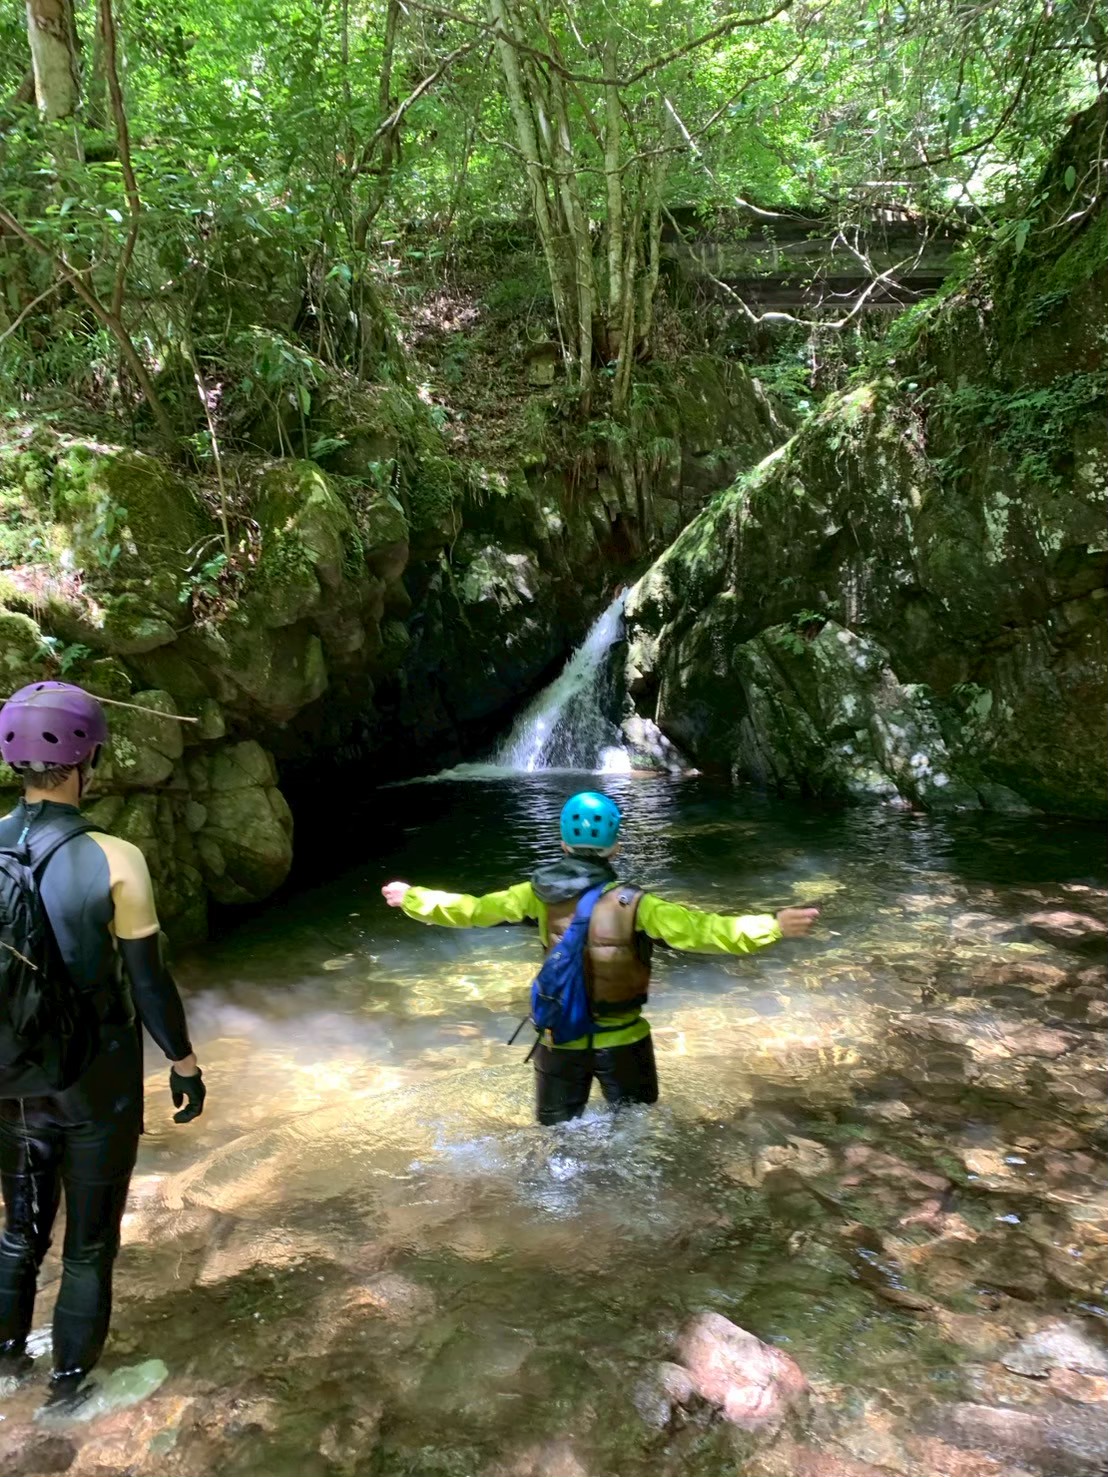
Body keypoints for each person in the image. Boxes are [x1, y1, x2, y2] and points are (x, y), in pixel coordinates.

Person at [0, 682, 206, 1405]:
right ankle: (67, 1394)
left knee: (18, 1231)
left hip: (11, 1076)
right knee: (88, 1245)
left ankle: (5, 1370)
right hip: (96, 1078)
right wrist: (183, 1063)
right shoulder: (116, 857)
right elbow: (148, 983)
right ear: (88, 759)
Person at [382, 790, 818, 1125]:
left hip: (559, 1039)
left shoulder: (534, 894)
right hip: (624, 1041)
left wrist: (413, 897)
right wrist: (773, 924)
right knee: (636, 1133)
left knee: (557, 1141)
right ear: (616, 847)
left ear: (563, 843)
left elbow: (473, 910)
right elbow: (708, 932)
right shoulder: (638, 904)